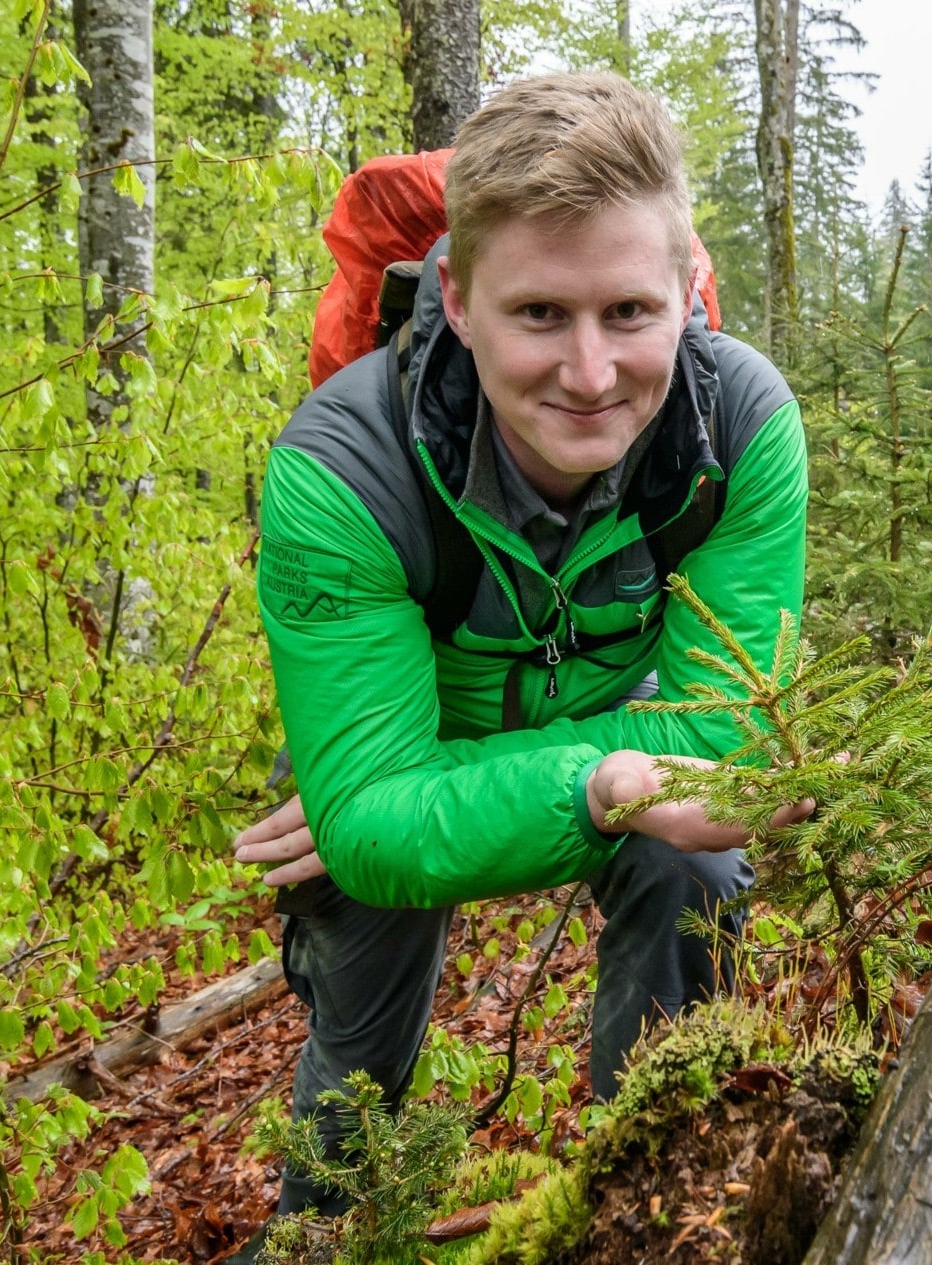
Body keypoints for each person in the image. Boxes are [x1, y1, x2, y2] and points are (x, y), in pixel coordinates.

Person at [233, 71, 810, 1232]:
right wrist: (608, 775)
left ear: (687, 291)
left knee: (690, 866)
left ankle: (648, 1213)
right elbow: (377, 823)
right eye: (540, 313)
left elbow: (728, 741)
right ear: (454, 297)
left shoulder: (738, 427)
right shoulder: (340, 472)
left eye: (630, 314)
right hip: (443, 736)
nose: (591, 376)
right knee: (357, 1033)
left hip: (463, 747)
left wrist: (411, 794)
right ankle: (321, 1243)